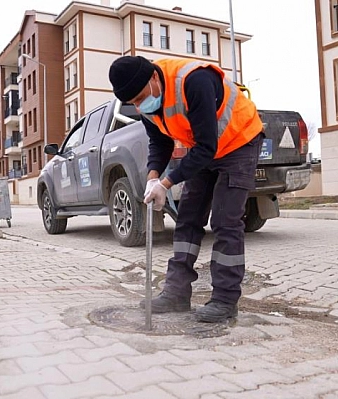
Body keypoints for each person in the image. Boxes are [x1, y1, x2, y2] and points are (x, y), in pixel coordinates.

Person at [108, 56, 263, 323]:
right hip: (205, 150)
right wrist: (153, 178)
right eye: (133, 103)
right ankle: (176, 294)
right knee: (187, 219)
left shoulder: (193, 81)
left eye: (141, 97)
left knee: (225, 221)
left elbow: (206, 147)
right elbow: (159, 142)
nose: (140, 105)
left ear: (154, 78)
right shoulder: (145, 103)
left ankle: (225, 300)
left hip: (239, 142)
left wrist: (167, 184)